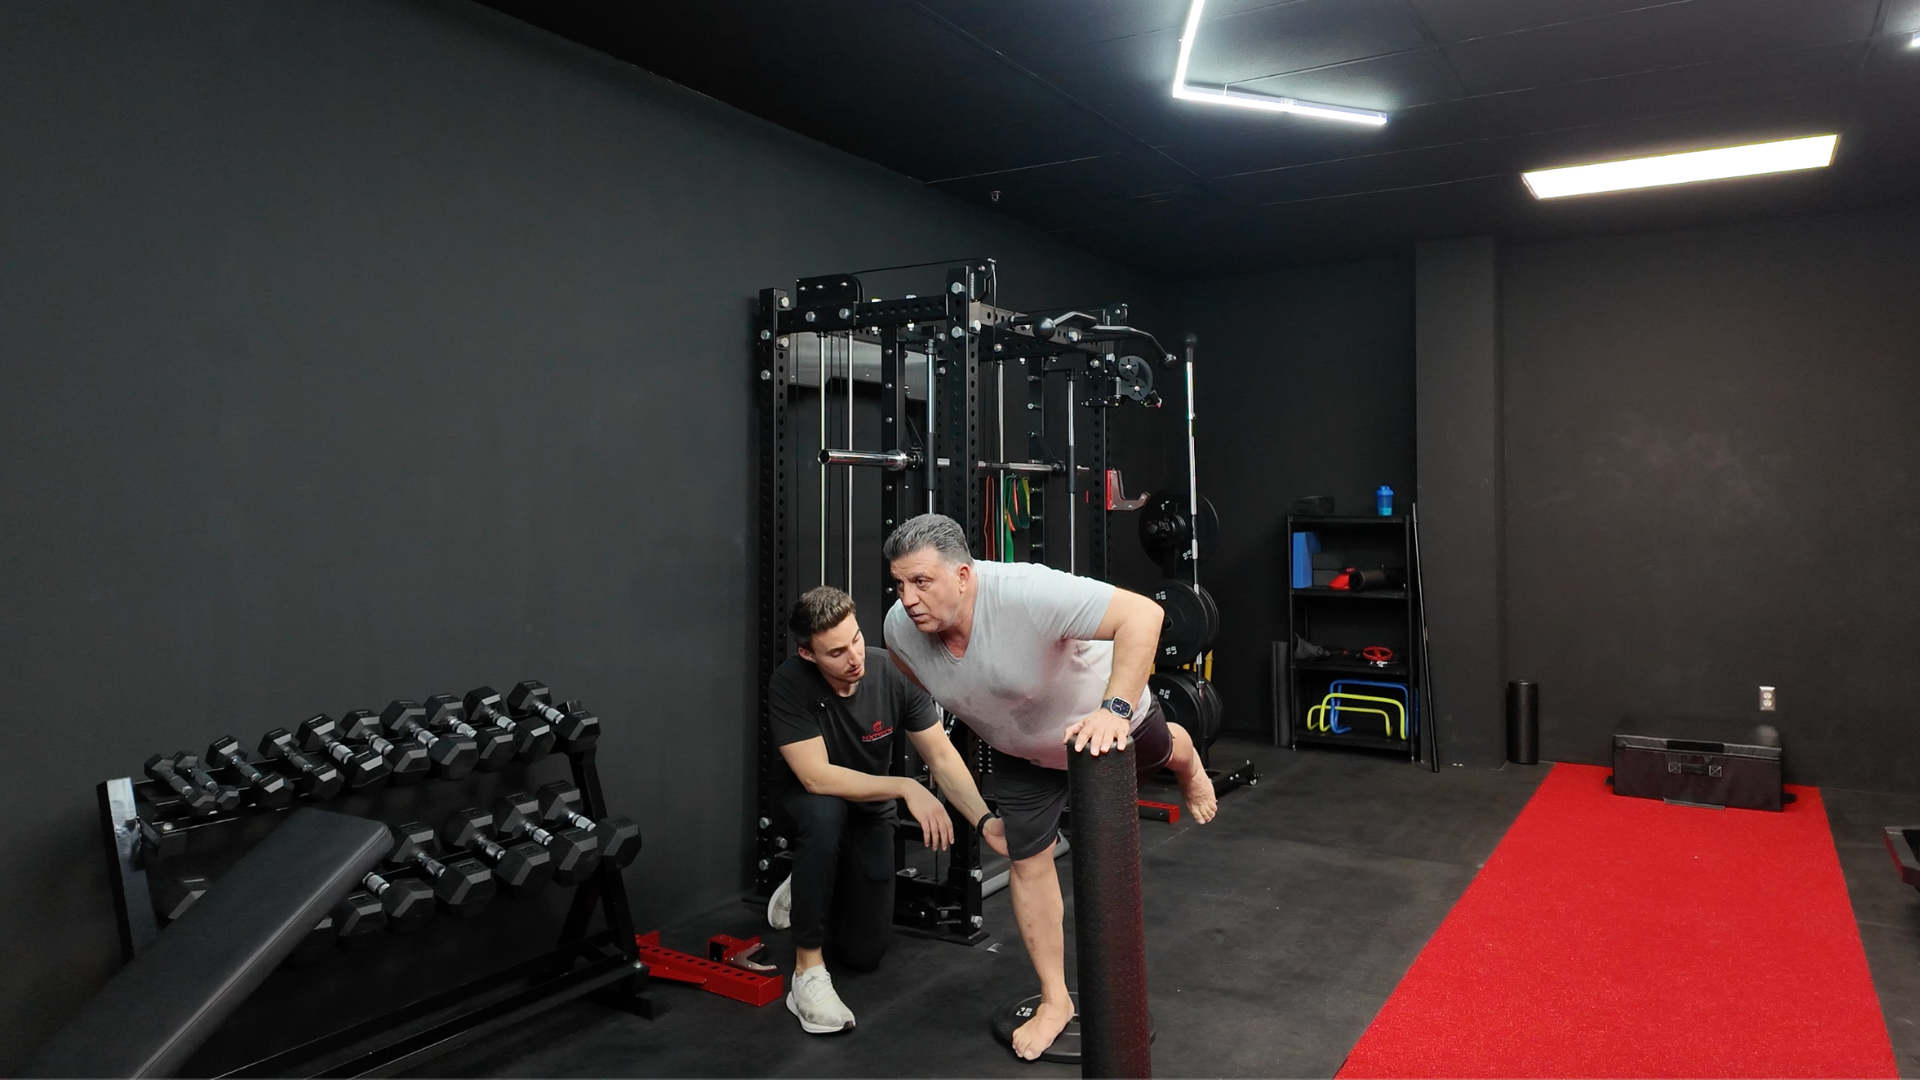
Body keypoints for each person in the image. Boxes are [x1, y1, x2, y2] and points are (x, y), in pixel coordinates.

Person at [881, 513, 1217, 1061]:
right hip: (1022, 755)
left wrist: (1114, 708)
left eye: (922, 581)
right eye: (899, 583)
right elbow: (930, 678)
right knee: (1026, 859)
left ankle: (1187, 757)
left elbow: (1144, 614)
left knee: (1162, 751)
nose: (908, 597)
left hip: (1105, 731)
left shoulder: (1027, 592)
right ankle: (1056, 999)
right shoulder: (900, 628)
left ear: (964, 575)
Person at [766, 585, 993, 1035]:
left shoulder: (891, 672)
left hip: (869, 808)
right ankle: (806, 972)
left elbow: (942, 757)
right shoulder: (789, 682)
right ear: (809, 655)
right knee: (824, 815)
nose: (853, 657)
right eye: (836, 651)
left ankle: (810, 877)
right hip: (807, 802)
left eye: (855, 638)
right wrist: (906, 786)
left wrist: (985, 821)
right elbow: (816, 778)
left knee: (864, 955)